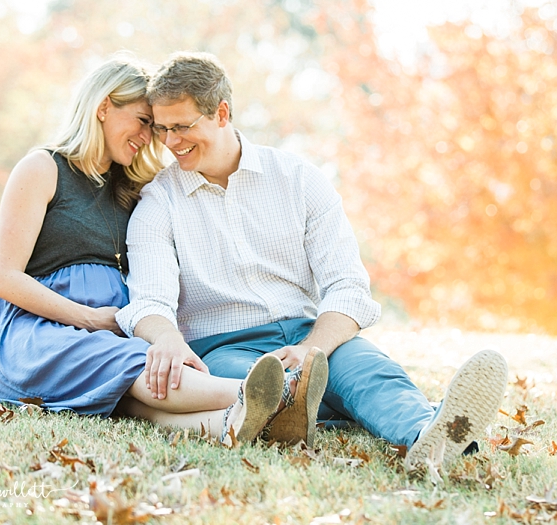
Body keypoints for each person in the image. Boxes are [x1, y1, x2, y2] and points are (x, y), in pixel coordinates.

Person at [116, 51, 509, 471]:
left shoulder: (298, 179)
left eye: (183, 126)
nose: (171, 142)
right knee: (265, 392)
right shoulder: (159, 202)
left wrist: (312, 348)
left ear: (222, 113)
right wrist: (167, 338)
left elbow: (347, 287)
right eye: (162, 129)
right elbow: (149, 300)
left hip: (311, 334)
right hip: (225, 348)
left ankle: (431, 439)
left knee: (370, 374)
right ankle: (358, 410)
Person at [0, 56, 287, 445]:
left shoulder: (138, 188)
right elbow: (3, 278)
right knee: (135, 365)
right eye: (141, 120)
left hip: (110, 333)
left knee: (137, 394)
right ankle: (277, 395)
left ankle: (231, 423)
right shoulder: (43, 168)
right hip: (37, 333)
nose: (149, 136)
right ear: (104, 107)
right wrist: (88, 318)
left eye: (153, 128)